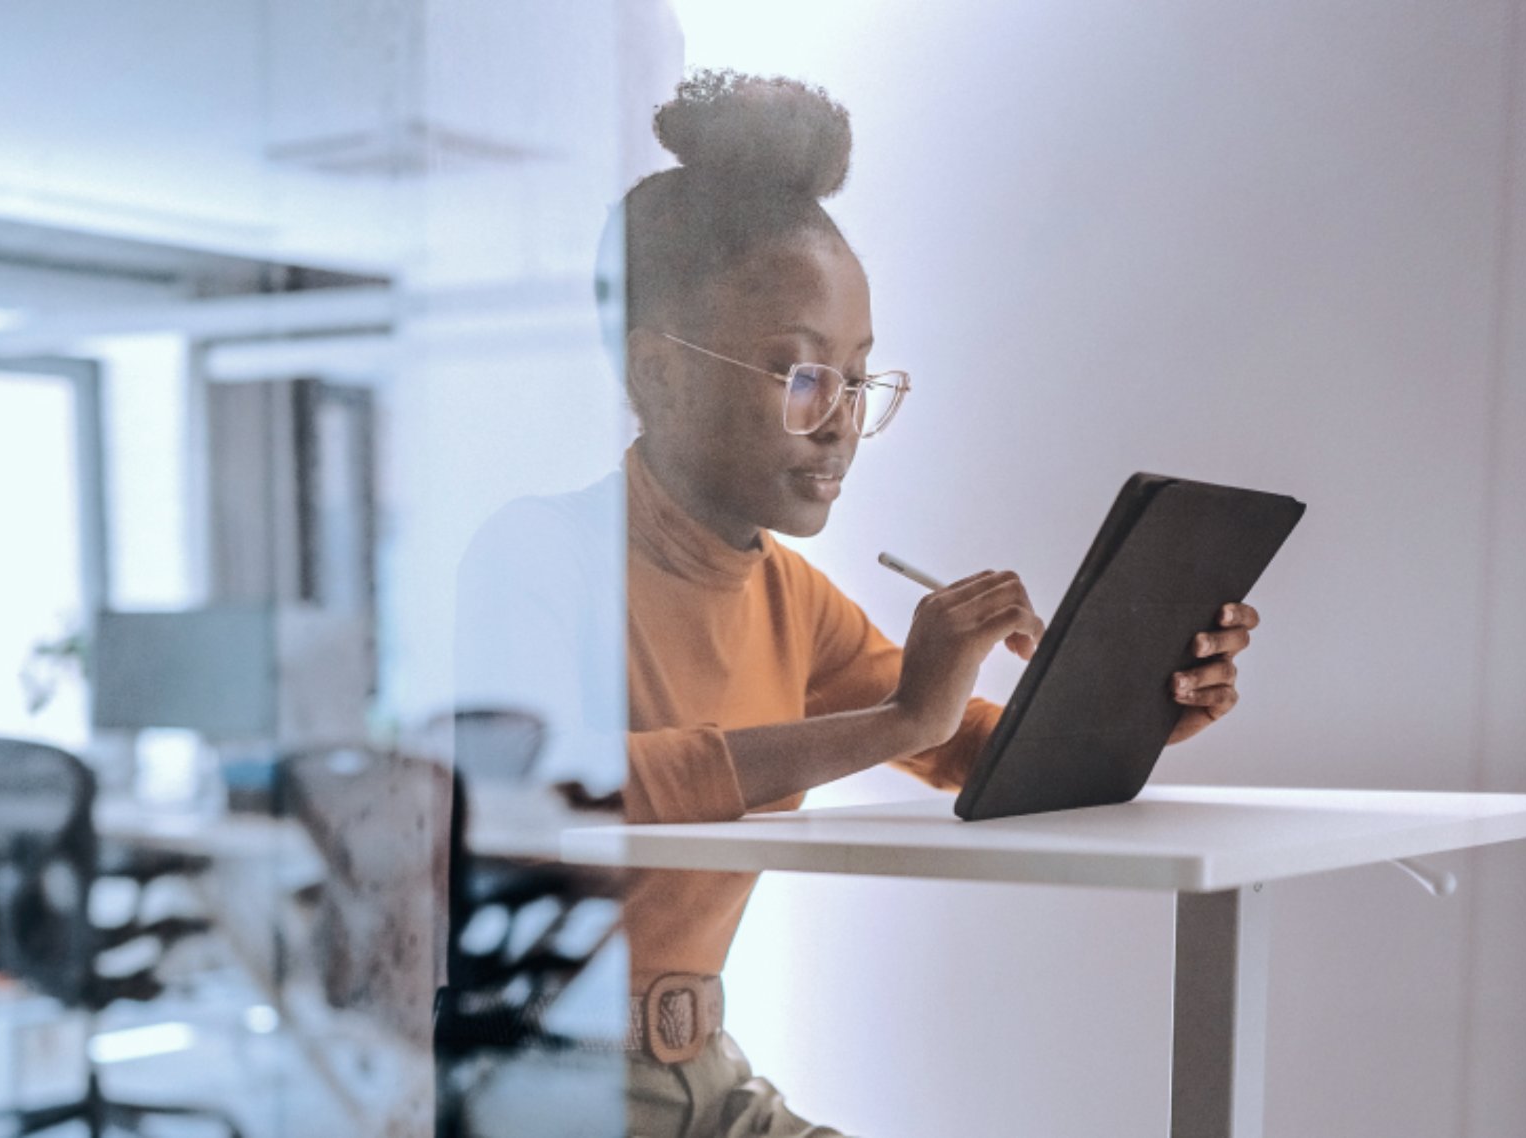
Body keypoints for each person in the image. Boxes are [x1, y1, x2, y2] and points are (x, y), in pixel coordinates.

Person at [454, 69, 1260, 1138]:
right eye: (798, 376)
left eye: (861, 380)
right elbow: (541, 797)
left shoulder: (794, 599)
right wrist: (889, 723)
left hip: (703, 1075)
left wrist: (1140, 695)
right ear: (661, 377)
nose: (838, 423)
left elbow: (976, 755)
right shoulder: (536, 552)